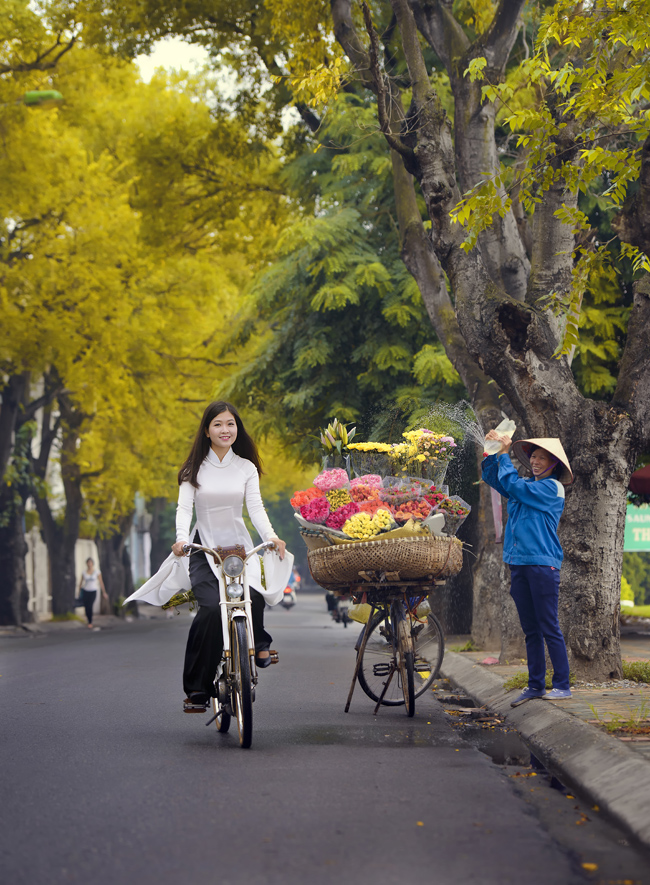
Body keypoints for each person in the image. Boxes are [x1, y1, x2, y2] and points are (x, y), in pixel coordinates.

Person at [171, 401, 286, 711]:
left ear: (238, 428)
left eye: (230, 424)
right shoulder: (192, 469)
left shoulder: (245, 468)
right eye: (218, 424)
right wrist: (181, 539)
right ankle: (197, 689)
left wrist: (271, 538)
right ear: (207, 431)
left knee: (255, 595)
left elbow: (256, 508)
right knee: (210, 609)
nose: (225, 429)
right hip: (203, 549)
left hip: (238, 549)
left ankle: (259, 643)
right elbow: (184, 509)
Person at [482, 432, 573, 707]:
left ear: (553, 464)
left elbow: (514, 486)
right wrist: (492, 452)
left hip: (542, 565)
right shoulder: (522, 484)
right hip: (519, 564)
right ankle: (535, 686)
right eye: (533, 456)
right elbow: (495, 480)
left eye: (541, 458)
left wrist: (504, 456)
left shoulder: (551, 488)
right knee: (530, 630)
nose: (535, 461)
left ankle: (562, 685)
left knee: (549, 626)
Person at [78, 558, 108, 629]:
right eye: (88, 562)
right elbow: (81, 583)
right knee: (86, 606)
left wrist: (104, 592)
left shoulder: (97, 572)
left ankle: (90, 622)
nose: (89, 564)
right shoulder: (84, 572)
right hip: (86, 591)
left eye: (90, 562)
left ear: (92, 563)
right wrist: (78, 592)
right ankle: (88, 620)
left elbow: (101, 582)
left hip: (93, 591)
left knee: (90, 605)